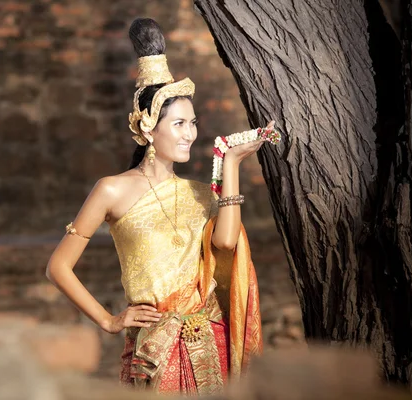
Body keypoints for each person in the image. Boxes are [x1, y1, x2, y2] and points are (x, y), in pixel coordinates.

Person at [46, 17, 267, 396]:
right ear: (148, 128)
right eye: (179, 123)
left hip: (210, 345)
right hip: (154, 352)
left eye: (192, 123)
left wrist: (231, 164)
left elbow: (227, 244)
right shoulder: (111, 190)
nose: (190, 133)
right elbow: (57, 267)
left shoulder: (200, 193)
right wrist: (109, 320)